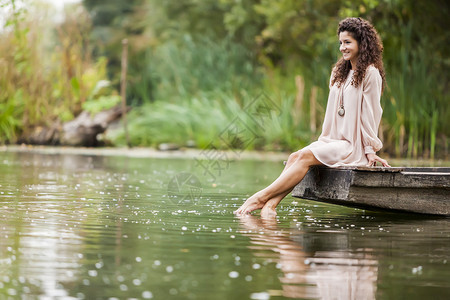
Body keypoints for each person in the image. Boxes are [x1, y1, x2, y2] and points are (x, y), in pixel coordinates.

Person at [235, 17, 390, 217]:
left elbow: (371, 113)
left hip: (352, 145)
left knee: (305, 157)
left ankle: (259, 197)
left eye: (348, 42)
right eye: (340, 43)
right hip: (332, 140)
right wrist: (324, 141)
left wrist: (370, 149)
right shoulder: (339, 72)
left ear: (362, 43)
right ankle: (270, 206)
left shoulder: (371, 73)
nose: (342, 47)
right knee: (294, 156)